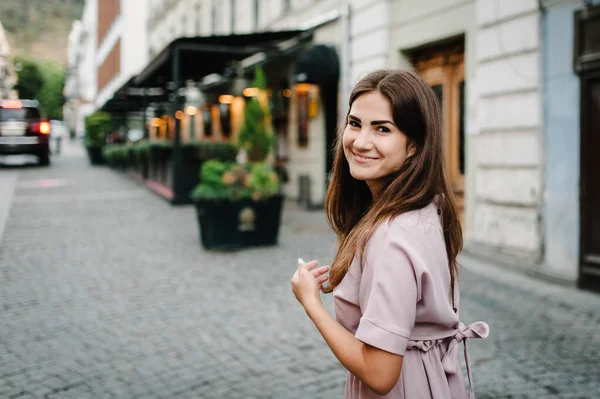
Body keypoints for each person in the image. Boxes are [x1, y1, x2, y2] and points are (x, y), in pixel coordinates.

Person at [290, 69, 489, 398]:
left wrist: (311, 303)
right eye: (355, 124)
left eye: (382, 129)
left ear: (414, 146)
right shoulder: (426, 210)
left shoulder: (392, 236)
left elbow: (380, 374)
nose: (360, 141)